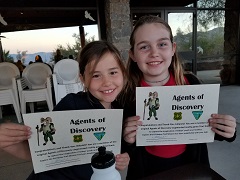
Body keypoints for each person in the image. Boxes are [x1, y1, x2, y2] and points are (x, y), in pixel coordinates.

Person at [123, 15, 237, 179]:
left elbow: (206, 123)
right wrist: (126, 138)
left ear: (173, 48)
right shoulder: (128, 94)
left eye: (162, 44)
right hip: (147, 171)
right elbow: (121, 149)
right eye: (144, 47)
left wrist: (226, 129)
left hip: (191, 168)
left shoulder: (190, 83)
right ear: (133, 55)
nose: (154, 53)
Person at [0, 40, 130, 180]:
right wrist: (7, 141)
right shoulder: (72, 104)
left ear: (123, 73)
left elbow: (114, 153)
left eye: (113, 72)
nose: (107, 82)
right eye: (96, 75)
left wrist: (123, 159)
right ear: (83, 79)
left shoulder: (121, 110)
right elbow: (41, 153)